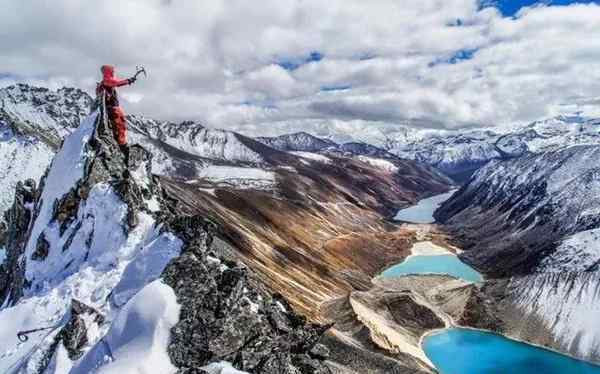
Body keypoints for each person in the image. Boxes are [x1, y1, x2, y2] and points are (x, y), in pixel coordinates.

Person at [96, 65, 137, 165]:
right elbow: (117, 83)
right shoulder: (107, 81)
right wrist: (128, 80)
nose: (114, 73)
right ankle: (124, 153)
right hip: (114, 110)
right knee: (120, 129)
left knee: (119, 129)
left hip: (110, 111)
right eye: (113, 71)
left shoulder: (102, 84)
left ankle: (122, 149)